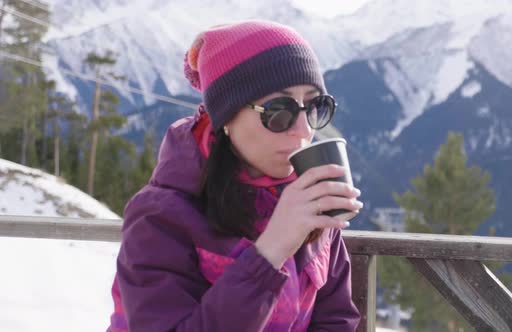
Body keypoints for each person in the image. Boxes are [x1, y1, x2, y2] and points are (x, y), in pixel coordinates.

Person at [107, 20, 363, 332]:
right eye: (278, 110)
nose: (304, 129)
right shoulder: (160, 217)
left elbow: (336, 319)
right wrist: (270, 252)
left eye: (313, 106)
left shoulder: (310, 196)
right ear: (226, 118)